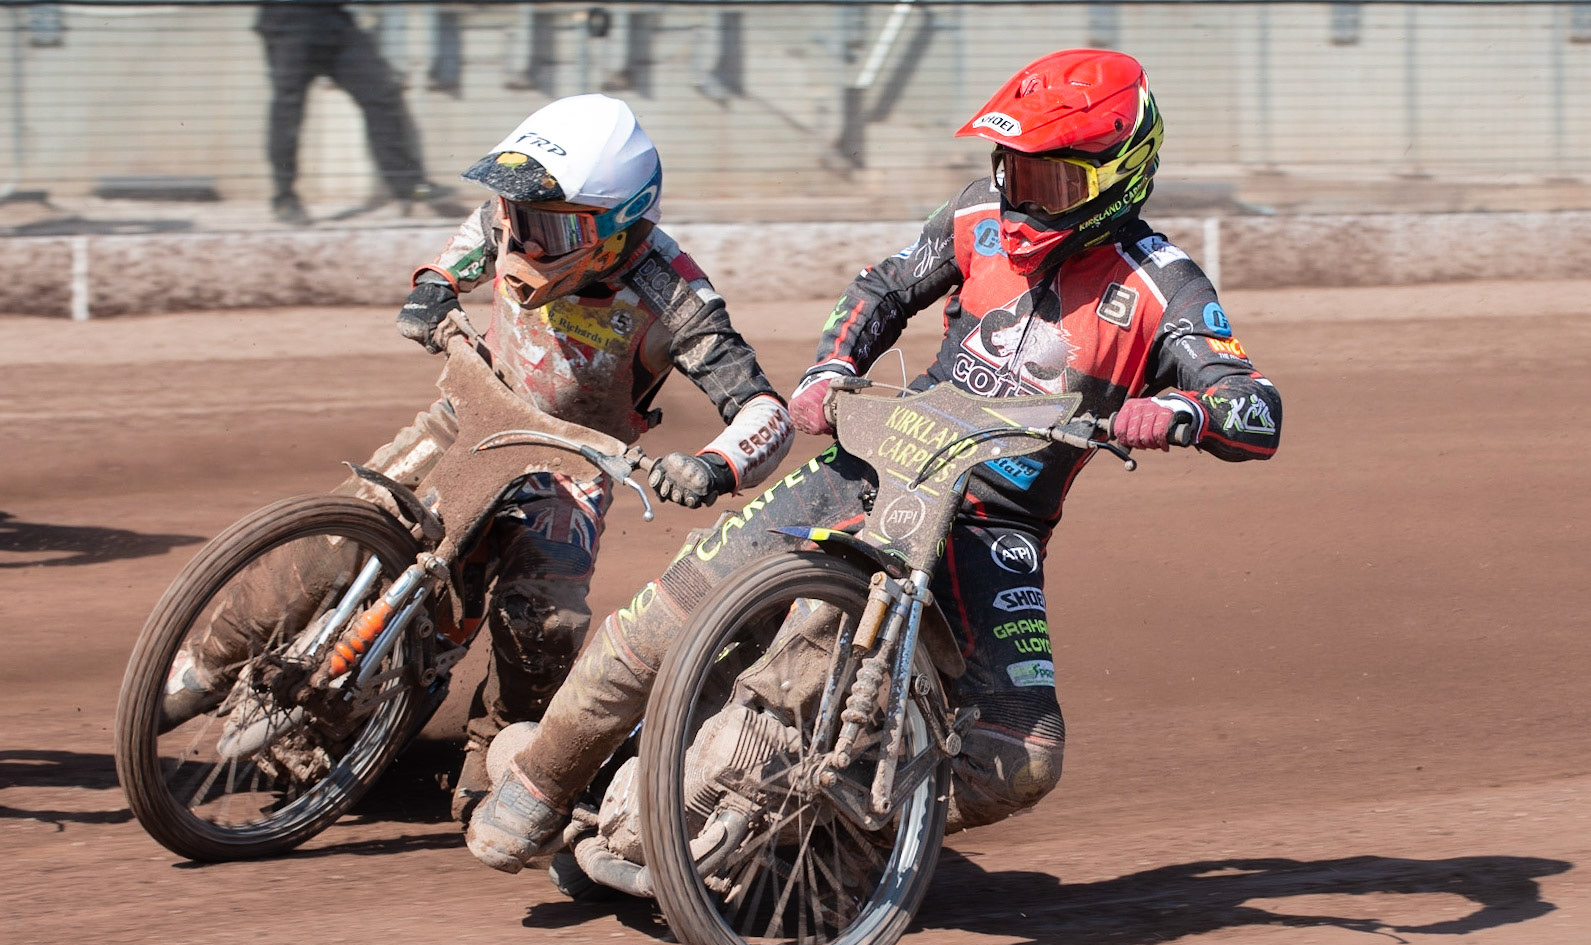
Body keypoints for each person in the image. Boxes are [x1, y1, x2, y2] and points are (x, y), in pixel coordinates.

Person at [465, 49, 1282, 876]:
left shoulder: (1162, 286)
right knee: (669, 608)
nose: (1023, 197)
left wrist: (1182, 409)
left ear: (1119, 174)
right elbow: (881, 289)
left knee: (1023, 756)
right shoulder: (976, 216)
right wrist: (829, 370)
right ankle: (538, 783)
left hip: (992, 523)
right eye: (1012, 170)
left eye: (1052, 182)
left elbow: (1253, 404)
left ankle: (820, 843)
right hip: (873, 461)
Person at [165, 94, 795, 825]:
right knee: (342, 533)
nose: (521, 241)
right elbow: (480, 228)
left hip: (570, 467)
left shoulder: (676, 299)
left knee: (545, 614)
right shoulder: (510, 224)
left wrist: (714, 465)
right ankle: (201, 668)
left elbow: (764, 410)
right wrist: (436, 284)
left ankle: (496, 751)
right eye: (516, 217)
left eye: (549, 226)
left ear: (619, 229)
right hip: (468, 415)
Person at [255, 2, 459, 225]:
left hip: (335, 21)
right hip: (288, 20)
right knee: (288, 109)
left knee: (382, 95)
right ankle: (284, 199)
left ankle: (410, 186)